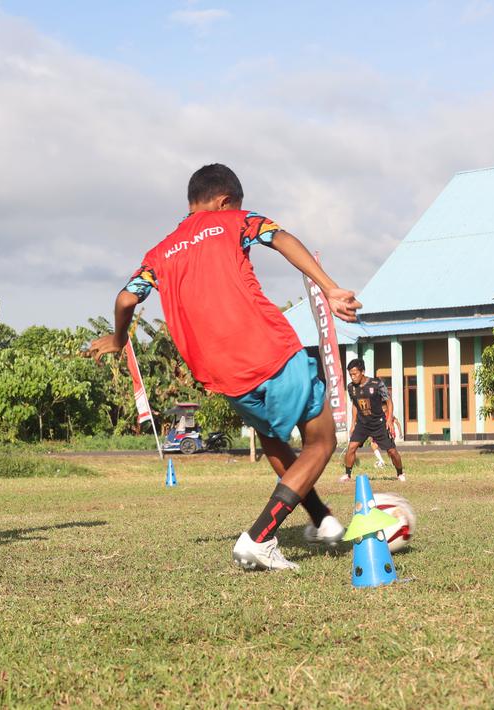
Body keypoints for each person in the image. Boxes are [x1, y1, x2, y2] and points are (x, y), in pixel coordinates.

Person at [88, 163, 361, 571]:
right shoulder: (235, 221)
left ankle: (321, 518)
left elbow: (127, 298)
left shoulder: (160, 253)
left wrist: (118, 338)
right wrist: (329, 287)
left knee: (273, 439)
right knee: (321, 443)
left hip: (222, 375)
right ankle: (260, 537)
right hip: (269, 349)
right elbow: (280, 237)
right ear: (225, 200)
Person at [341, 358, 405, 483]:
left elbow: (389, 401)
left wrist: (389, 420)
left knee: (392, 451)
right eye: (350, 375)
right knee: (351, 447)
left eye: (355, 374)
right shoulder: (351, 387)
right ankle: (347, 474)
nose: (353, 377)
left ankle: (400, 473)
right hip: (362, 424)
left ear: (362, 372)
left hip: (379, 423)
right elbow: (355, 405)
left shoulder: (377, 384)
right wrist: (353, 424)